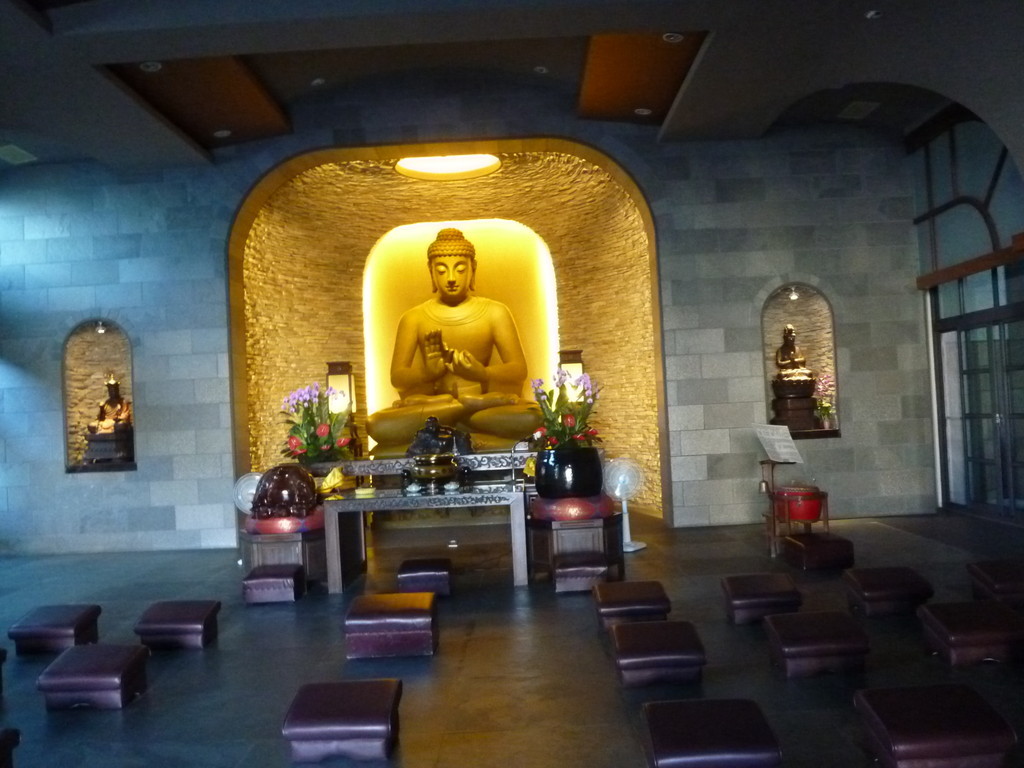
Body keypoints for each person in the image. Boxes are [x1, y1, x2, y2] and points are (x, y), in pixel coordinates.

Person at [367, 228, 541, 452]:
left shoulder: (495, 312)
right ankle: (464, 410)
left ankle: (452, 421)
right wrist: (427, 373)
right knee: (376, 424)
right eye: (442, 270)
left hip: (480, 410)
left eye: (460, 269)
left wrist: (482, 373)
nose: (451, 278)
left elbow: (518, 370)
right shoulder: (413, 318)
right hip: (445, 407)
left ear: (472, 269)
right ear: (431, 272)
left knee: (533, 416)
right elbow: (398, 378)